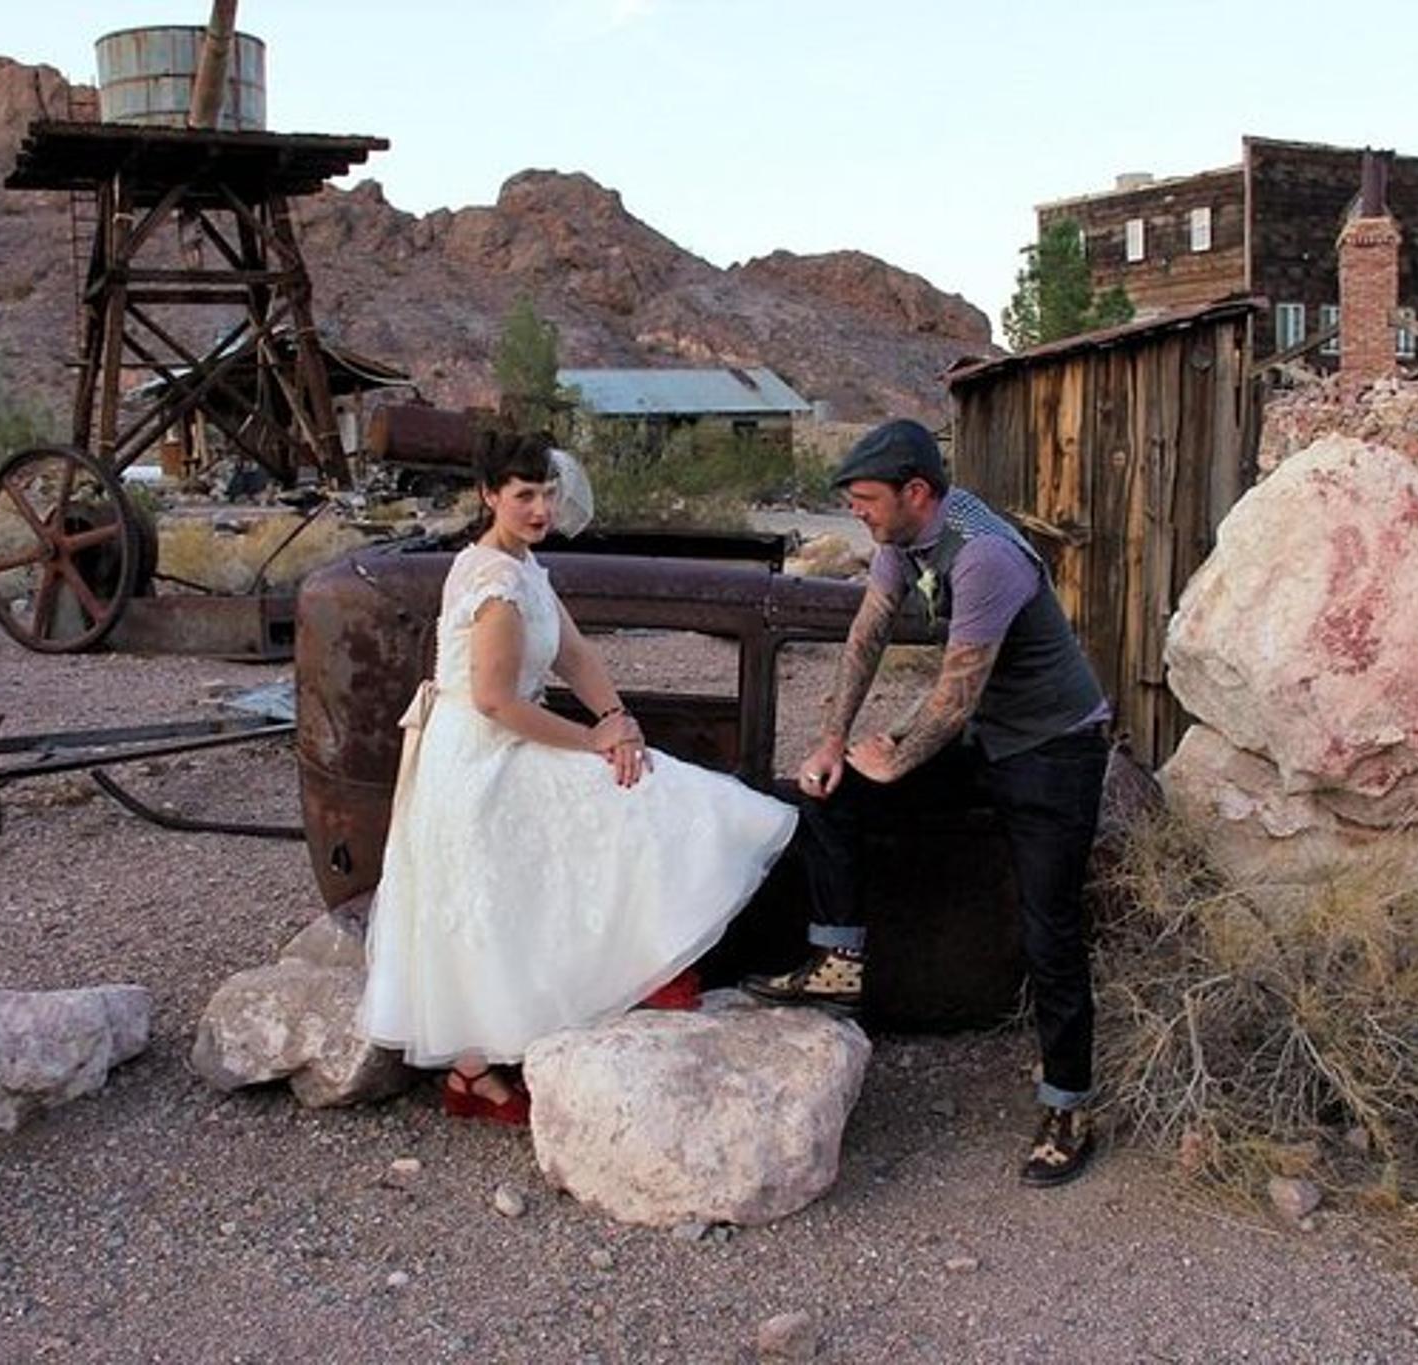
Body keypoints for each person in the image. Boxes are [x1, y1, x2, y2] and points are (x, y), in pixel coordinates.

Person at [358, 431, 797, 1125]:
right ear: (489, 496)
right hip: (479, 756)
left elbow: (576, 654)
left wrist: (619, 717)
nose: (539, 507)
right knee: (624, 799)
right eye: (523, 494)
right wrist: (594, 740)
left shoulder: (528, 567)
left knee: (647, 780)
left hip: (508, 739)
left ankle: (635, 975)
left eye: (548, 493)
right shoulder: (493, 581)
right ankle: (483, 1064)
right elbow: (497, 701)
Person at [743, 419, 1112, 1188]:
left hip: (1054, 750)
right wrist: (833, 742)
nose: (860, 515)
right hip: (988, 734)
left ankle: (1068, 1105)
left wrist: (895, 755)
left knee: (1051, 925)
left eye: (868, 500)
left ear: (917, 493)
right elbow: (865, 637)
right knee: (831, 792)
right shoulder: (902, 538)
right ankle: (838, 956)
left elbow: (951, 700)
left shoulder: (985, 558)